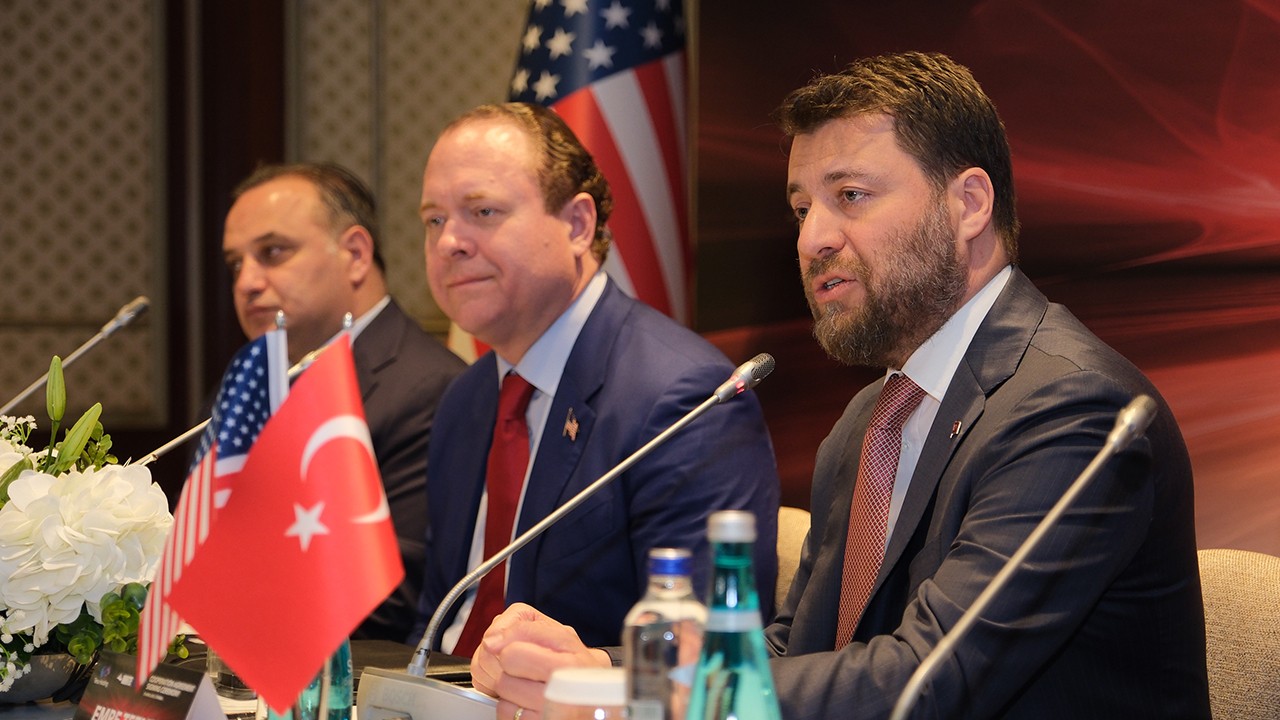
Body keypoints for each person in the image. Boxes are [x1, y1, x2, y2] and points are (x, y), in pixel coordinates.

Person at [467, 53, 1211, 719]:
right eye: (801, 209)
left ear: (969, 205)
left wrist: (646, 693)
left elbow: (927, 681)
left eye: (850, 195)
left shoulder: (1074, 411)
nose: (811, 238)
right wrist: (605, 671)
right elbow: (803, 647)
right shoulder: (870, 420)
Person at [410, 102, 780, 661]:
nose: (448, 243)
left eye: (482, 211)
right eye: (434, 220)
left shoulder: (684, 399)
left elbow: (705, 650)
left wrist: (580, 671)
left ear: (577, 225)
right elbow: (435, 620)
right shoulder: (466, 397)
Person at [222, 162, 466, 641]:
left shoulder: (432, 389)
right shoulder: (241, 384)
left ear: (355, 254)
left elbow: (389, 600)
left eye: (273, 252)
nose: (247, 281)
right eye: (235, 263)